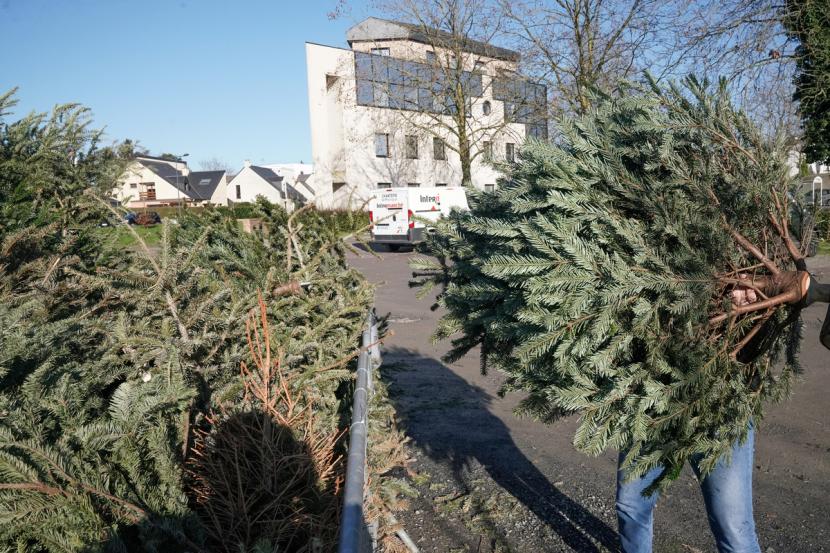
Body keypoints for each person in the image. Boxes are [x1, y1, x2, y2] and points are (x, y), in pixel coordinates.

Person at [615, 271, 821, 553]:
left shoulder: (745, 237)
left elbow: (776, 298)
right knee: (630, 506)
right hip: (651, 400)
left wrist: (756, 291)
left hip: (722, 404)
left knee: (734, 528)